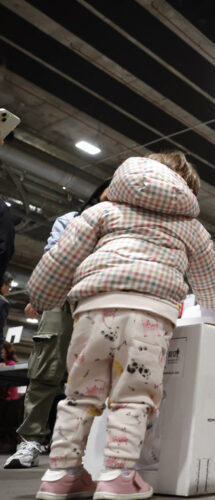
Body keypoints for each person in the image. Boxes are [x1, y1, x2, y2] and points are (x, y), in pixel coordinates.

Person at [26, 153, 215, 500]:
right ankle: (118, 477)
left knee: (78, 395)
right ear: (185, 188)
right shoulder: (190, 225)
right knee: (133, 396)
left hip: (93, 309)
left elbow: (59, 260)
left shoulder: (102, 212)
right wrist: (212, 299)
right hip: (150, 315)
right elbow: (214, 287)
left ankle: (61, 475)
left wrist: (41, 297)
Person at [4, 179, 110, 470]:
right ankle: (30, 441)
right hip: (62, 299)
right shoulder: (71, 220)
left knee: (94, 376)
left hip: (101, 302)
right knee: (45, 371)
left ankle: (82, 445)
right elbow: (53, 258)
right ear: (99, 191)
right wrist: (39, 296)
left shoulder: (124, 226)